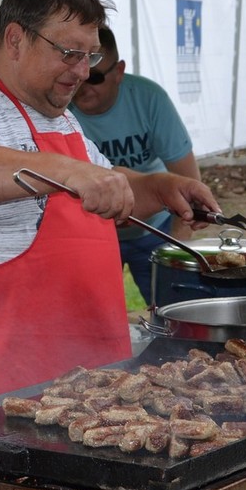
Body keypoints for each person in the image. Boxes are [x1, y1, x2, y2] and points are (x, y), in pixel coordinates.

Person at [0, 0, 219, 417]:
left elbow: (106, 189)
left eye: (89, 56)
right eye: (70, 53)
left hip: (61, 378)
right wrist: (65, 172)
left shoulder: (62, 120)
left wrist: (161, 188)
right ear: (14, 40)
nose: (84, 72)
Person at [70, 25, 201, 306]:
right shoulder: (59, 109)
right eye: (77, 72)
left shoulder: (149, 99)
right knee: (92, 319)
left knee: (173, 314)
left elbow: (188, 180)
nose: (82, 84)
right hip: (92, 231)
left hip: (156, 228)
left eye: (94, 76)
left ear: (118, 72)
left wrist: (175, 249)